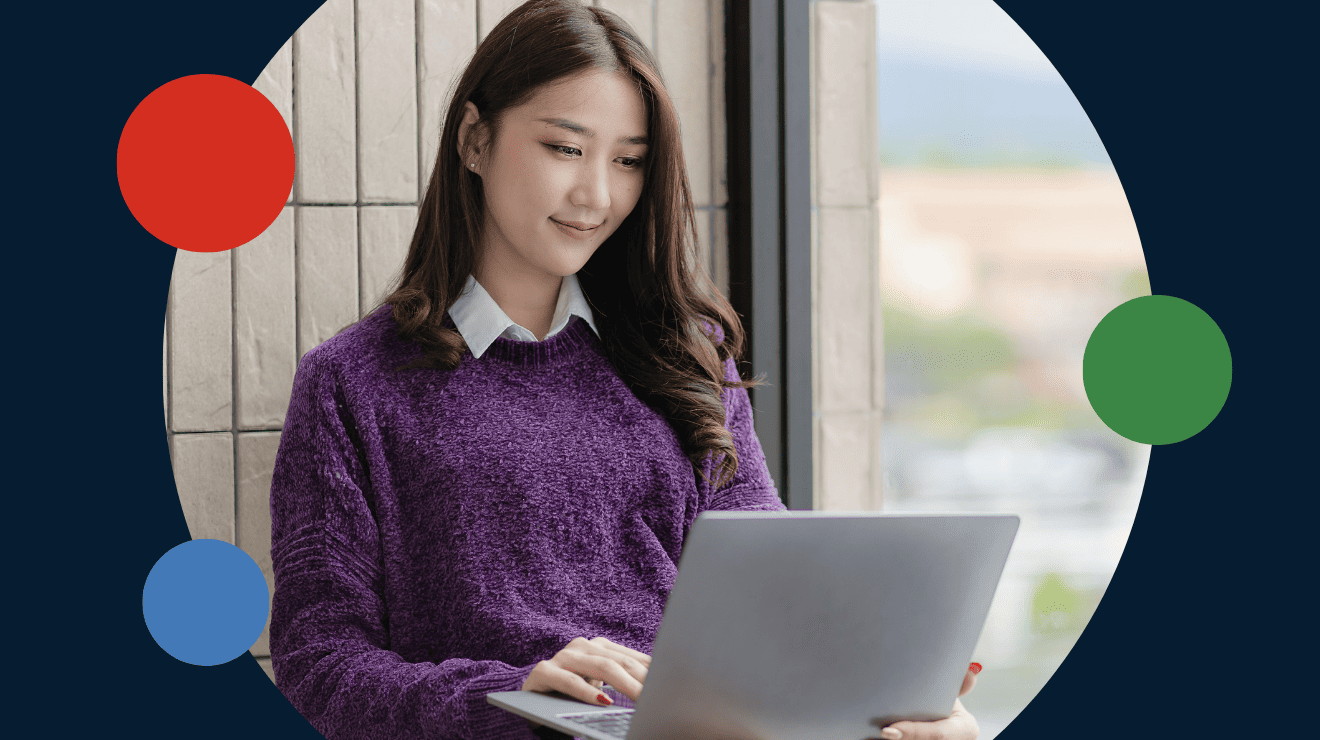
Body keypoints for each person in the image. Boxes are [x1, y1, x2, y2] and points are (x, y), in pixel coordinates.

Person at [267, 2, 980, 739]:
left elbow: (775, 608)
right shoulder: (353, 384)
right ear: (475, 139)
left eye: (628, 160)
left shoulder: (686, 357)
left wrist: (890, 688)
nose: (597, 195)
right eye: (565, 148)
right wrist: (513, 696)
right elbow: (320, 671)